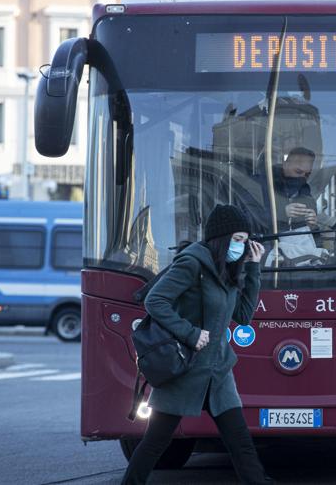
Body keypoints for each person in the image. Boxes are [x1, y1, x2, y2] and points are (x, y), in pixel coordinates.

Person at [121, 204, 272, 485]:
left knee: (241, 444)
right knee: (156, 442)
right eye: (236, 240)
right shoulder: (192, 263)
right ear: (221, 239)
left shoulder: (226, 270)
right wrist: (190, 333)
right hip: (185, 370)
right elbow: (155, 301)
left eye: (244, 240)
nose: (240, 246)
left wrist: (253, 268)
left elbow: (244, 315)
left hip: (218, 372)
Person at [270, 146, 318, 230]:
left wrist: (311, 225)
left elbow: (312, 236)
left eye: (307, 175)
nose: (302, 177)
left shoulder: (307, 196)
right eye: (298, 172)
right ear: (285, 165)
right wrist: (282, 213)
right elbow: (252, 217)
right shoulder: (265, 184)